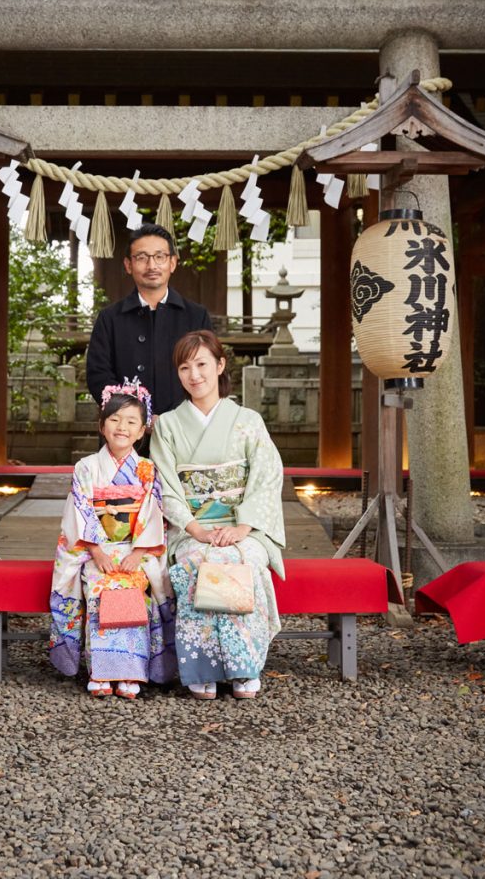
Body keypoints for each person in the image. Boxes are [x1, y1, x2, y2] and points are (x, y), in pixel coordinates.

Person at [150, 331, 285, 701]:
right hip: (191, 528)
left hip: (244, 527)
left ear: (220, 365)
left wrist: (243, 527)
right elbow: (165, 483)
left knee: (241, 560)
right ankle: (202, 666)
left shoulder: (248, 420)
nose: (194, 374)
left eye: (202, 364)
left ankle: (244, 665)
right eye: (185, 367)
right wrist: (196, 529)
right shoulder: (167, 425)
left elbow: (267, 475)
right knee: (199, 561)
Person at [49, 380, 176, 699]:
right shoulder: (86, 468)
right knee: (98, 587)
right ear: (102, 426)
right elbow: (78, 510)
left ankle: (132, 671)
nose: (123, 427)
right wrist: (95, 550)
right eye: (115, 419)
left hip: (135, 548)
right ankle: (101, 670)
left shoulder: (147, 469)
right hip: (97, 549)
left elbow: (152, 513)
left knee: (137, 586)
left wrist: (139, 551)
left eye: (132, 421)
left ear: (142, 430)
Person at [86, 224, 212, 429]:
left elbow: (207, 374)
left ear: (172, 263)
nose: (152, 266)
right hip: (125, 434)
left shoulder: (196, 316)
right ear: (128, 265)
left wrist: (172, 421)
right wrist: (137, 418)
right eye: (142, 257)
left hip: (184, 430)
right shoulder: (109, 319)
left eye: (160, 256)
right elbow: (98, 376)